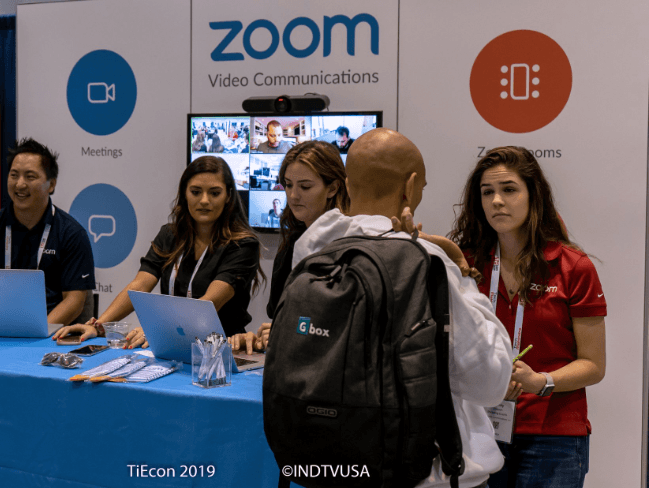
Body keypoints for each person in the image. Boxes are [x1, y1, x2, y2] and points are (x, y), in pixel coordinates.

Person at [291, 128, 512, 488]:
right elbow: (489, 379)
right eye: (421, 187)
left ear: (346, 184)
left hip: (332, 462)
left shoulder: (311, 251)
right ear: (409, 187)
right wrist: (463, 274)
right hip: (424, 471)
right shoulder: (427, 261)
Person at [449, 146, 606, 488]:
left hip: (554, 437)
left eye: (509, 189)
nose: (496, 201)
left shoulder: (573, 266)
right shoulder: (466, 263)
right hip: (479, 429)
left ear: (533, 195)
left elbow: (593, 365)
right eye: (487, 192)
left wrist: (541, 382)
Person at [53, 155, 264, 347]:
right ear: (184, 194)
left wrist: (157, 331)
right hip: (172, 347)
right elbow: (139, 286)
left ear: (228, 196)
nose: (205, 200)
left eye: (215, 193)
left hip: (219, 351)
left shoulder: (243, 245)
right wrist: (98, 326)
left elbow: (208, 304)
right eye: (196, 192)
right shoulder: (170, 235)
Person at [228, 141, 349, 353]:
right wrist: (260, 339)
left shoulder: (350, 241)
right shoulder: (292, 241)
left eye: (305, 186)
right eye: (288, 185)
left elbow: (341, 324)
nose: (293, 196)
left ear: (333, 188)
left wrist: (286, 330)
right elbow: (279, 317)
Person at [0, 138, 95, 326]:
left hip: (50, 338)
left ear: (51, 185)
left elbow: (74, 302)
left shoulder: (72, 234)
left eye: (30, 176)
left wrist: (37, 334)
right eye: (14, 175)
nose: (20, 184)